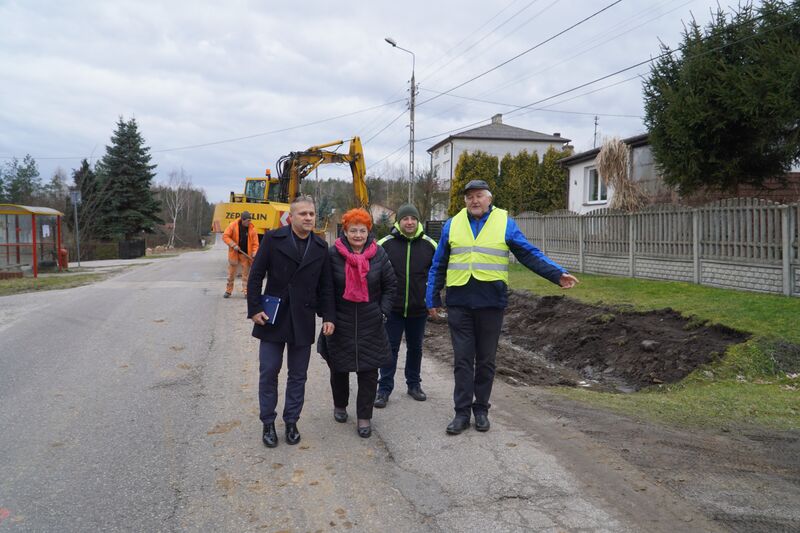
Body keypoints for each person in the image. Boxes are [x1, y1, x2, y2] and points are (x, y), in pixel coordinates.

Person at [426, 180, 579, 435]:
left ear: (489, 198)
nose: (474, 201)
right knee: (463, 360)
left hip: (490, 303)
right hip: (459, 303)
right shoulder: (452, 224)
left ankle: (481, 410)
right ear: (464, 201)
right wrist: (432, 299)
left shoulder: (504, 222)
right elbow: (438, 264)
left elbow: (528, 253)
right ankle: (461, 413)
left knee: (486, 360)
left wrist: (556, 274)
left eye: (479, 196)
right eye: (469, 197)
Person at [247, 196, 335, 448]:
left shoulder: (320, 247)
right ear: (291, 217)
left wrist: (328, 316)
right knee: (269, 371)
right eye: (303, 214)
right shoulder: (274, 240)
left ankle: (292, 421)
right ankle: (268, 423)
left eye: (311, 214)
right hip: (273, 317)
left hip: (303, 318)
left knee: (298, 375)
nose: (308, 218)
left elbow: (326, 286)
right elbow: (255, 276)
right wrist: (254, 308)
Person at [322, 208, 396, 438]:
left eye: (362, 230)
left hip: (370, 323)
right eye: (353, 230)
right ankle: (340, 405)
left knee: (369, 372)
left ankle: (364, 416)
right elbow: (326, 290)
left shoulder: (379, 254)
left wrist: (382, 312)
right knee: (339, 369)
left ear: (368, 231)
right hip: (340, 323)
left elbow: (390, 286)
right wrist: (329, 318)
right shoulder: (333, 254)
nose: (357, 235)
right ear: (345, 231)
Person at [374, 203, 437, 408]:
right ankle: (384, 389)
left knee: (416, 348)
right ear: (398, 222)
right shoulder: (384, 244)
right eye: (405, 219)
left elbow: (437, 275)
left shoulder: (430, 245)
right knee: (389, 348)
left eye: (413, 219)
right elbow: (374, 275)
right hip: (393, 308)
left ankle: (414, 385)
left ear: (417, 221)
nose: (409, 222)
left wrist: (433, 300)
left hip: (419, 308)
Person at [222, 210, 259, 298]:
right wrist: (233, 244)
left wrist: (254, 252)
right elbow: (225, 236)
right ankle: (228, 291)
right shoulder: (233, 226)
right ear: (243, 220)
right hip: (234, 253)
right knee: (231, 274)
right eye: (247, 221)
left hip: (245, 255)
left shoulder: (252, 229)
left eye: (250, 220)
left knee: (245, 275)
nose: (249, 222)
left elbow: (255, 243)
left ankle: (246, 292)